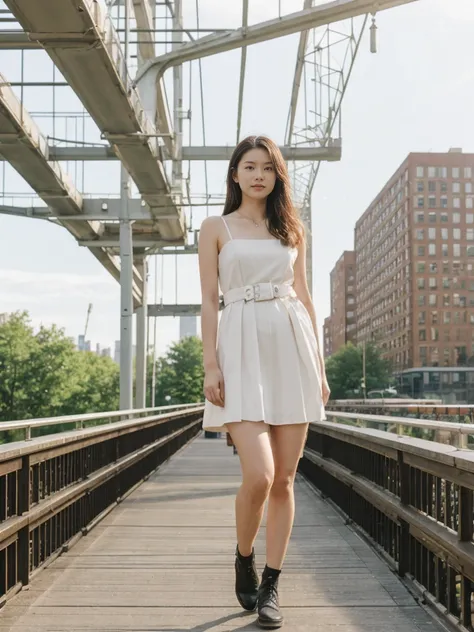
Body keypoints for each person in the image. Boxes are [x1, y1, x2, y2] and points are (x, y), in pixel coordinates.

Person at [198, 135, 330, 629]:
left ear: (277, 177)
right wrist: (211, 365)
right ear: (235, 174)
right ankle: (243, 553)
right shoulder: (216, 228)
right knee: (259, 473)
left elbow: (305, 297)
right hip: (240, 349)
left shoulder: (292, 229)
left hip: (290, 348)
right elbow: (210, 302)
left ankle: (272, 585)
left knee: (286, 479)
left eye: (267, 168)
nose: (258, 175)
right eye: (249, 166)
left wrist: (319, 367)